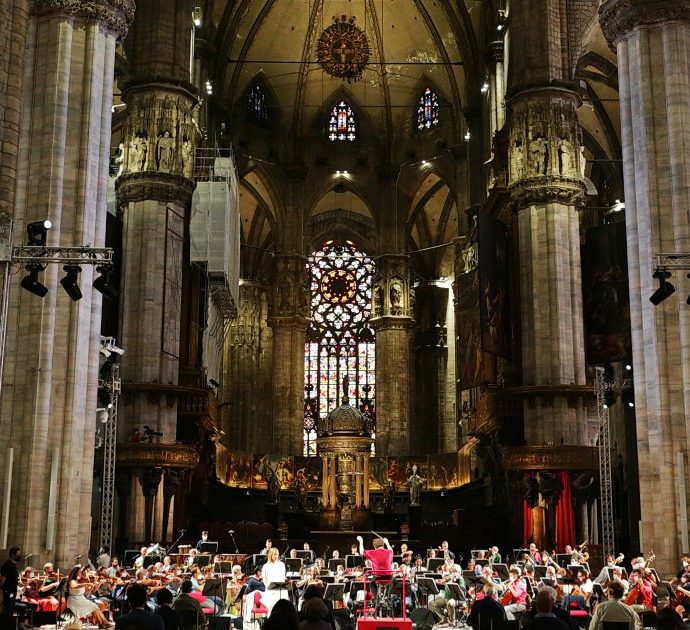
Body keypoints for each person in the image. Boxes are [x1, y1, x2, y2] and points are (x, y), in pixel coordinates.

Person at [262, 547, 288, 612]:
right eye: (274, 554)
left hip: (281, 590)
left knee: (282, 609)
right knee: (271, 609)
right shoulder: (266, 566)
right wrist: (269, 586)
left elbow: (283, 577)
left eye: (277, 554)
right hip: (271, 591)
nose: (276, 556)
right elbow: (264, 579)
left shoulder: (281, 565)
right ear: (270, 555)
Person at [0, 546, 21, 621]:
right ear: (12, 555)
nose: (19, 556)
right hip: (7, 593)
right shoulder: (7, 565)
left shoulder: (13, 565)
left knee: (10, 612)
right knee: (7, 612)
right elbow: (2, 580)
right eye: (18, 554)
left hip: (12, 592)